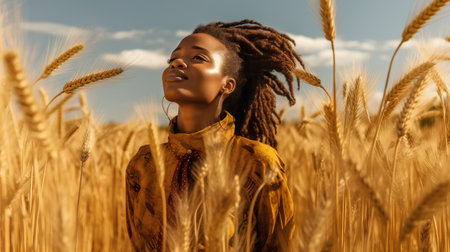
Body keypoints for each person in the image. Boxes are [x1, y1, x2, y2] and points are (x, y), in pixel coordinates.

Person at [125, 19, 304, 251]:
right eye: (172, 59)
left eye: (198, 58)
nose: (177, 62)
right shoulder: (143, 164)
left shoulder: (258, 162)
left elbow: (279, 245)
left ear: (227, 85)